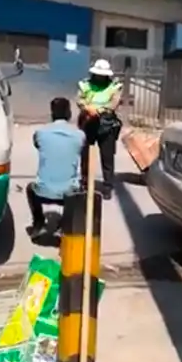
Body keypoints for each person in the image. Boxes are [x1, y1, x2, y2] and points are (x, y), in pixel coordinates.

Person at [27, 97, 85, 237]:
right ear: (69, 113)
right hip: (68, 194)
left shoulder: (40, 133)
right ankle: (65, 225)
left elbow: (38, 144)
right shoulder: (79, 135)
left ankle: (39, 223)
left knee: (30, 188)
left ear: (52, 113)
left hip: (43, 192)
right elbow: (82, 150)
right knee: (81, 188)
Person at [76, 59, 123, 199]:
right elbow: (80, 100)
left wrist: (99, 110)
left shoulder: (115, 86)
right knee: (85, 156)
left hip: (107, 125)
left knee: (107, 157)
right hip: (88, 122)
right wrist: (86, 108)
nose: (100, 77)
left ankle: (107, 186)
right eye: (98, 74)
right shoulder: (84, 85)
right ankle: (84, 183)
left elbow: (114, 103)